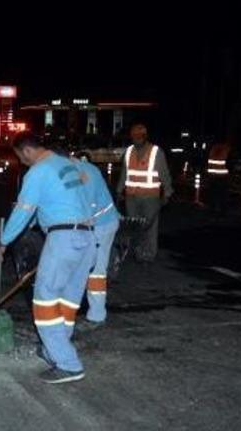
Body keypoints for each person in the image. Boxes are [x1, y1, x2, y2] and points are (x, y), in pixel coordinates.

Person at [0, 132, 96, 384]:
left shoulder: (38, 171)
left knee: (44, 299)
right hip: (87, 239)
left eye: (20, 157)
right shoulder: (66, 165)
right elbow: (51, 205)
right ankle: (54, 350)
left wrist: (5, 240)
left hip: (63, 239)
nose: (22, 162)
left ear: (26, 151)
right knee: (68, 300)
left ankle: (68, 364)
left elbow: (24, 209)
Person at [115, 123, 173, 263]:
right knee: (134, 226)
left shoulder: (156, 152)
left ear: (145, 137)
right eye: (134, 137)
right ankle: (137, 252)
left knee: (149, 227)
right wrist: (119, 190)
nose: (136, 140)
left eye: (139, 137)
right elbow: (124, 173)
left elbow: (164, 174)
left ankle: (148, 255)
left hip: (150, 197)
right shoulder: (128, 152)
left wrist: (167, 193)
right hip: (131, 197)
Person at [76, 159, 120, 329]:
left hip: (102, 224)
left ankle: (97, 315)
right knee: (89, 267)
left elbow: (86, 205)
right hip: (99, 222)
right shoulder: (81, 169)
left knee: (96, 271)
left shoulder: (82, 172)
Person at [205, 140, 231, 217]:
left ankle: (212, 210)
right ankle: (222, 212)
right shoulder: (227, 149)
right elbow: (229, 164)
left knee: (212, 194)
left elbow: (207, 161)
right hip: (222, 177)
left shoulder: (213, 148)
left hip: (212, 176)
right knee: (222, 195)